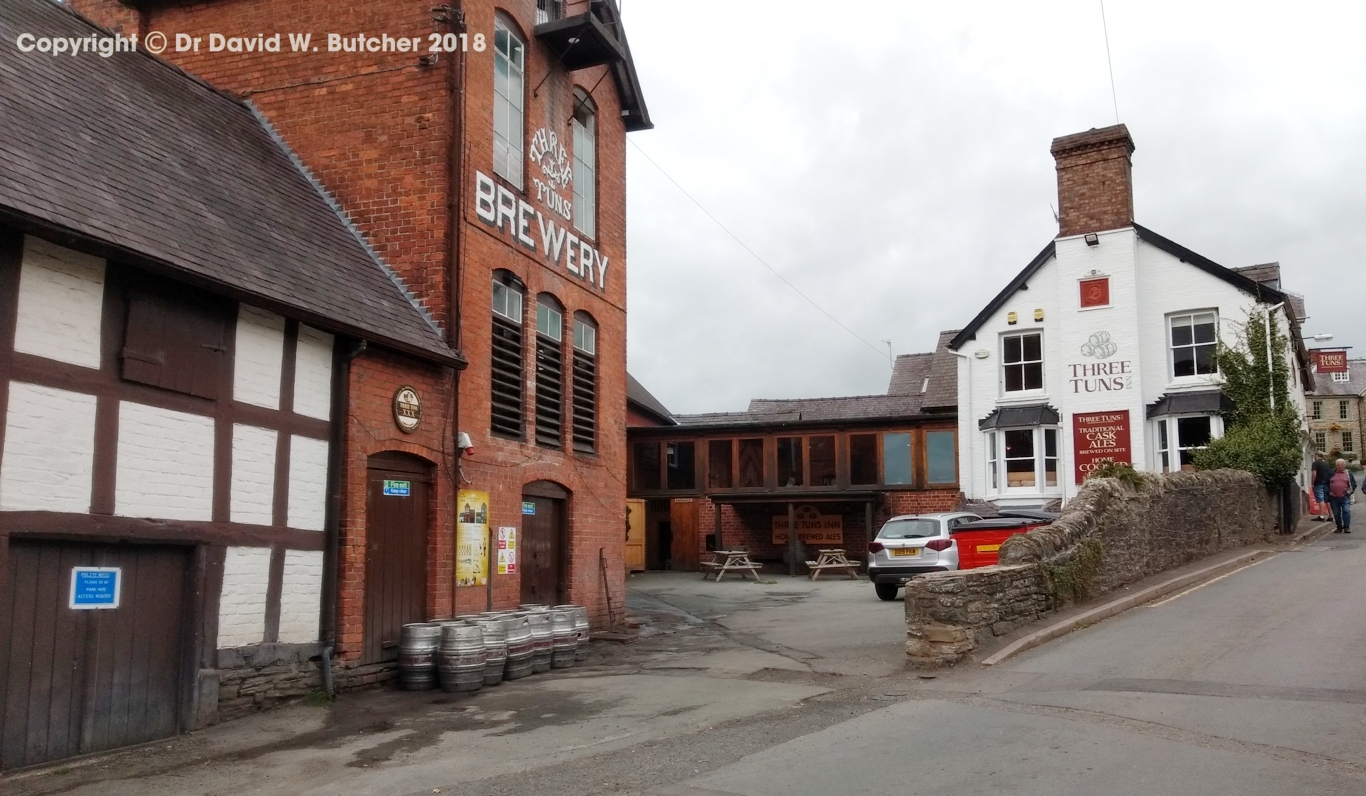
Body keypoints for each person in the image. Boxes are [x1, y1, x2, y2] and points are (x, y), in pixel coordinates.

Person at [1326, 459, 1357, 533]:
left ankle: (1346, 527)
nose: (1340, 466)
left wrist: (1348, 492)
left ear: (1344, 465)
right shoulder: (1331, 473)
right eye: (1338, 465)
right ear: (1335, 466)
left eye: (1341, 465)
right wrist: (1329, 492)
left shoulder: (1348, 473)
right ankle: (1339, 527)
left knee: (1346, 511)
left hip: (1345, 496)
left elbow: (1353, 484)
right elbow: (1325, 484)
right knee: (1336, 513)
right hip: (1333, 497)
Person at [1312, 451, 1335, 521]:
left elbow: (1314, 474)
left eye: (1314, 455)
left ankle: (1321, 516)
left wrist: (1312, 482)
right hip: (1327, 483)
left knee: (1321, 499)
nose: (1314, 457)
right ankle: (1330, 516)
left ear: (1317, 455)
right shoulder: (1326, 463)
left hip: (1319, 483)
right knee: (1327, 500)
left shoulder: (1315, 463)